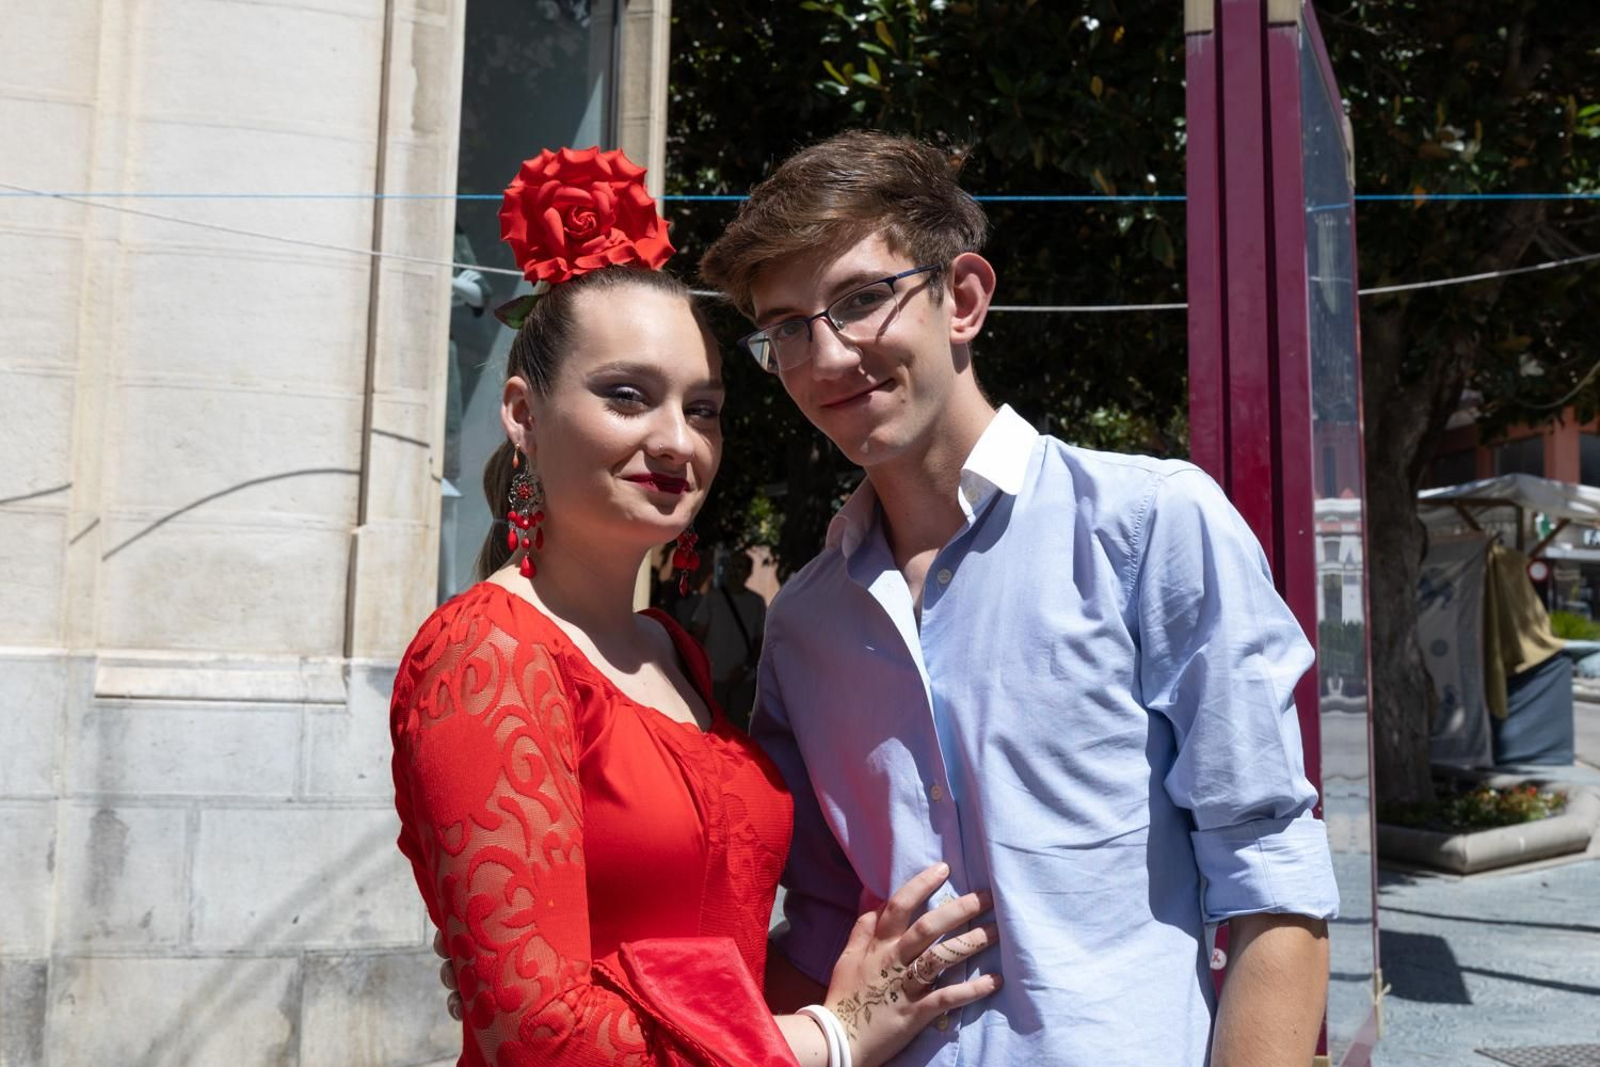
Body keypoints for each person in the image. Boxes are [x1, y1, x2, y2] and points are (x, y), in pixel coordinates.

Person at [696, 130, 1340, 1066]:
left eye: (862, 299)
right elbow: (823, 925)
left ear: (961, 298)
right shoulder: (804, 624)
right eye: (787, 326)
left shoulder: (1150, 524)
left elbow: (1272, 872)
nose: (826, 357)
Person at [389, 145, 1002, 1067]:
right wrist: (831, 1035)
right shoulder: (485, 652)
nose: (675, 441)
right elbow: (543, 1031)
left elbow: (703, 959)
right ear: (522, 411)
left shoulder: (673, 648)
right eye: (627, 396)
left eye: (704, 408)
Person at [689, 549, 767, 726]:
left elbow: (760, 641)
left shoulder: (756, 602)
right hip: (713, 678)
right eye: (730, 566)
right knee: (710, 726)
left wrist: (746, 668)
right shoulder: (712, 598)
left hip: (743, 679)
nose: (733, 571)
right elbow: (698, 636)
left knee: (738, 729)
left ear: (748, 572)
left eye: (739, 566)